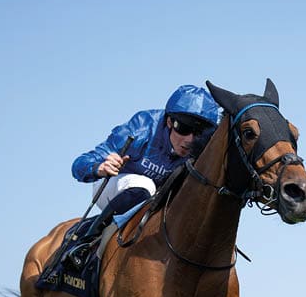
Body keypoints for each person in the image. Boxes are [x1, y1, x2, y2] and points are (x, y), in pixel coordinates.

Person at [65, 84, 220, 266]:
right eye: (184, 128)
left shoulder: (201, 149)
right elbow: (78, 164)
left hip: (155, 202)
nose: (189, 140)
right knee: (145, 186)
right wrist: (99, 167)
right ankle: (86, 244)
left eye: (200, 133)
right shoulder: (142, 128)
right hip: (114, 185)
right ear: (169, 121)